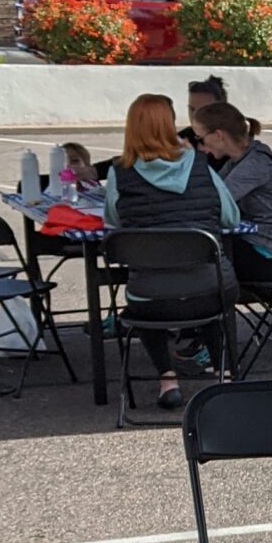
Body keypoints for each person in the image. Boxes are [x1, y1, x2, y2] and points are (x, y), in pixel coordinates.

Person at [108, 93, 241, 409]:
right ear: (169, 126)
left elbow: (114, 223)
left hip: (150, 297)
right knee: (208, 284)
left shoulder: (119, 172)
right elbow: (231, 217)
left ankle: (167, 379)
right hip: (209, 290)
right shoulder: (199, 164)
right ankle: (225, 375)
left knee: (151, 294)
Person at [192, 102, 272, 268]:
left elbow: (214, 203)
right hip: (264, 244)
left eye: (201, 139)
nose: (201, 147)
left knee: (198, 259)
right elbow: (210, 190)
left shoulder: (254, 165)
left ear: (219, 135)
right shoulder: (242, 158)